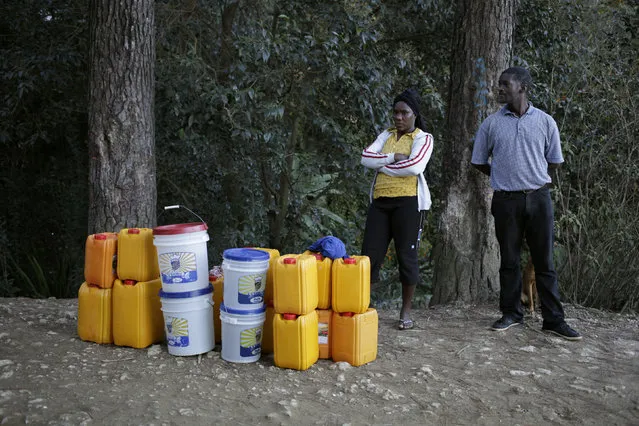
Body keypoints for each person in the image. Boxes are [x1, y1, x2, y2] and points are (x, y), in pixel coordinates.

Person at [471, 66, 582, 341]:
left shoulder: (545, 121)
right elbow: (478, 161)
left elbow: (555, 161)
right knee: (508, 260)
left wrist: (534, 182)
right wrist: (504, 178)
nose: (500, 89)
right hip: (505, 201)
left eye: (505, 84)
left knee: (544, 261)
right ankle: (511, 314)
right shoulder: (491, 124)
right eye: (500, 84)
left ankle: (554, 320)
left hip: (539, 199)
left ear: (522, 87)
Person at [361, 88, 434, 330]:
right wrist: (392, 158)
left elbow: (414, 167)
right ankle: (363, 307)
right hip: (380, 203)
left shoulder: (423, 138)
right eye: (396, 113)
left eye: (404, 113)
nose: (399, 117)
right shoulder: (386, 134)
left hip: (409, 203)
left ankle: (405, 312)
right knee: (369, 256)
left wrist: (380, 165)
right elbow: (365, 157)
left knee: (407, 256)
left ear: (415, 114)